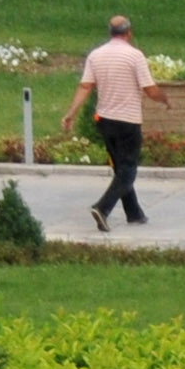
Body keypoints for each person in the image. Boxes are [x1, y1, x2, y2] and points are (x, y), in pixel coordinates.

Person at [68, 15, 154, 234]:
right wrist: (164, 99)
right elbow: (149, 88)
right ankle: (102, 208)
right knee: (128, 170)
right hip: (129, 121)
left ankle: (134, 213)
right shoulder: (135, 56)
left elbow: (85, 86)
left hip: (105, 121)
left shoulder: (96, 55)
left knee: (120, 167)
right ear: (129, 33)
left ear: (110, 32)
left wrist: (71, 113)